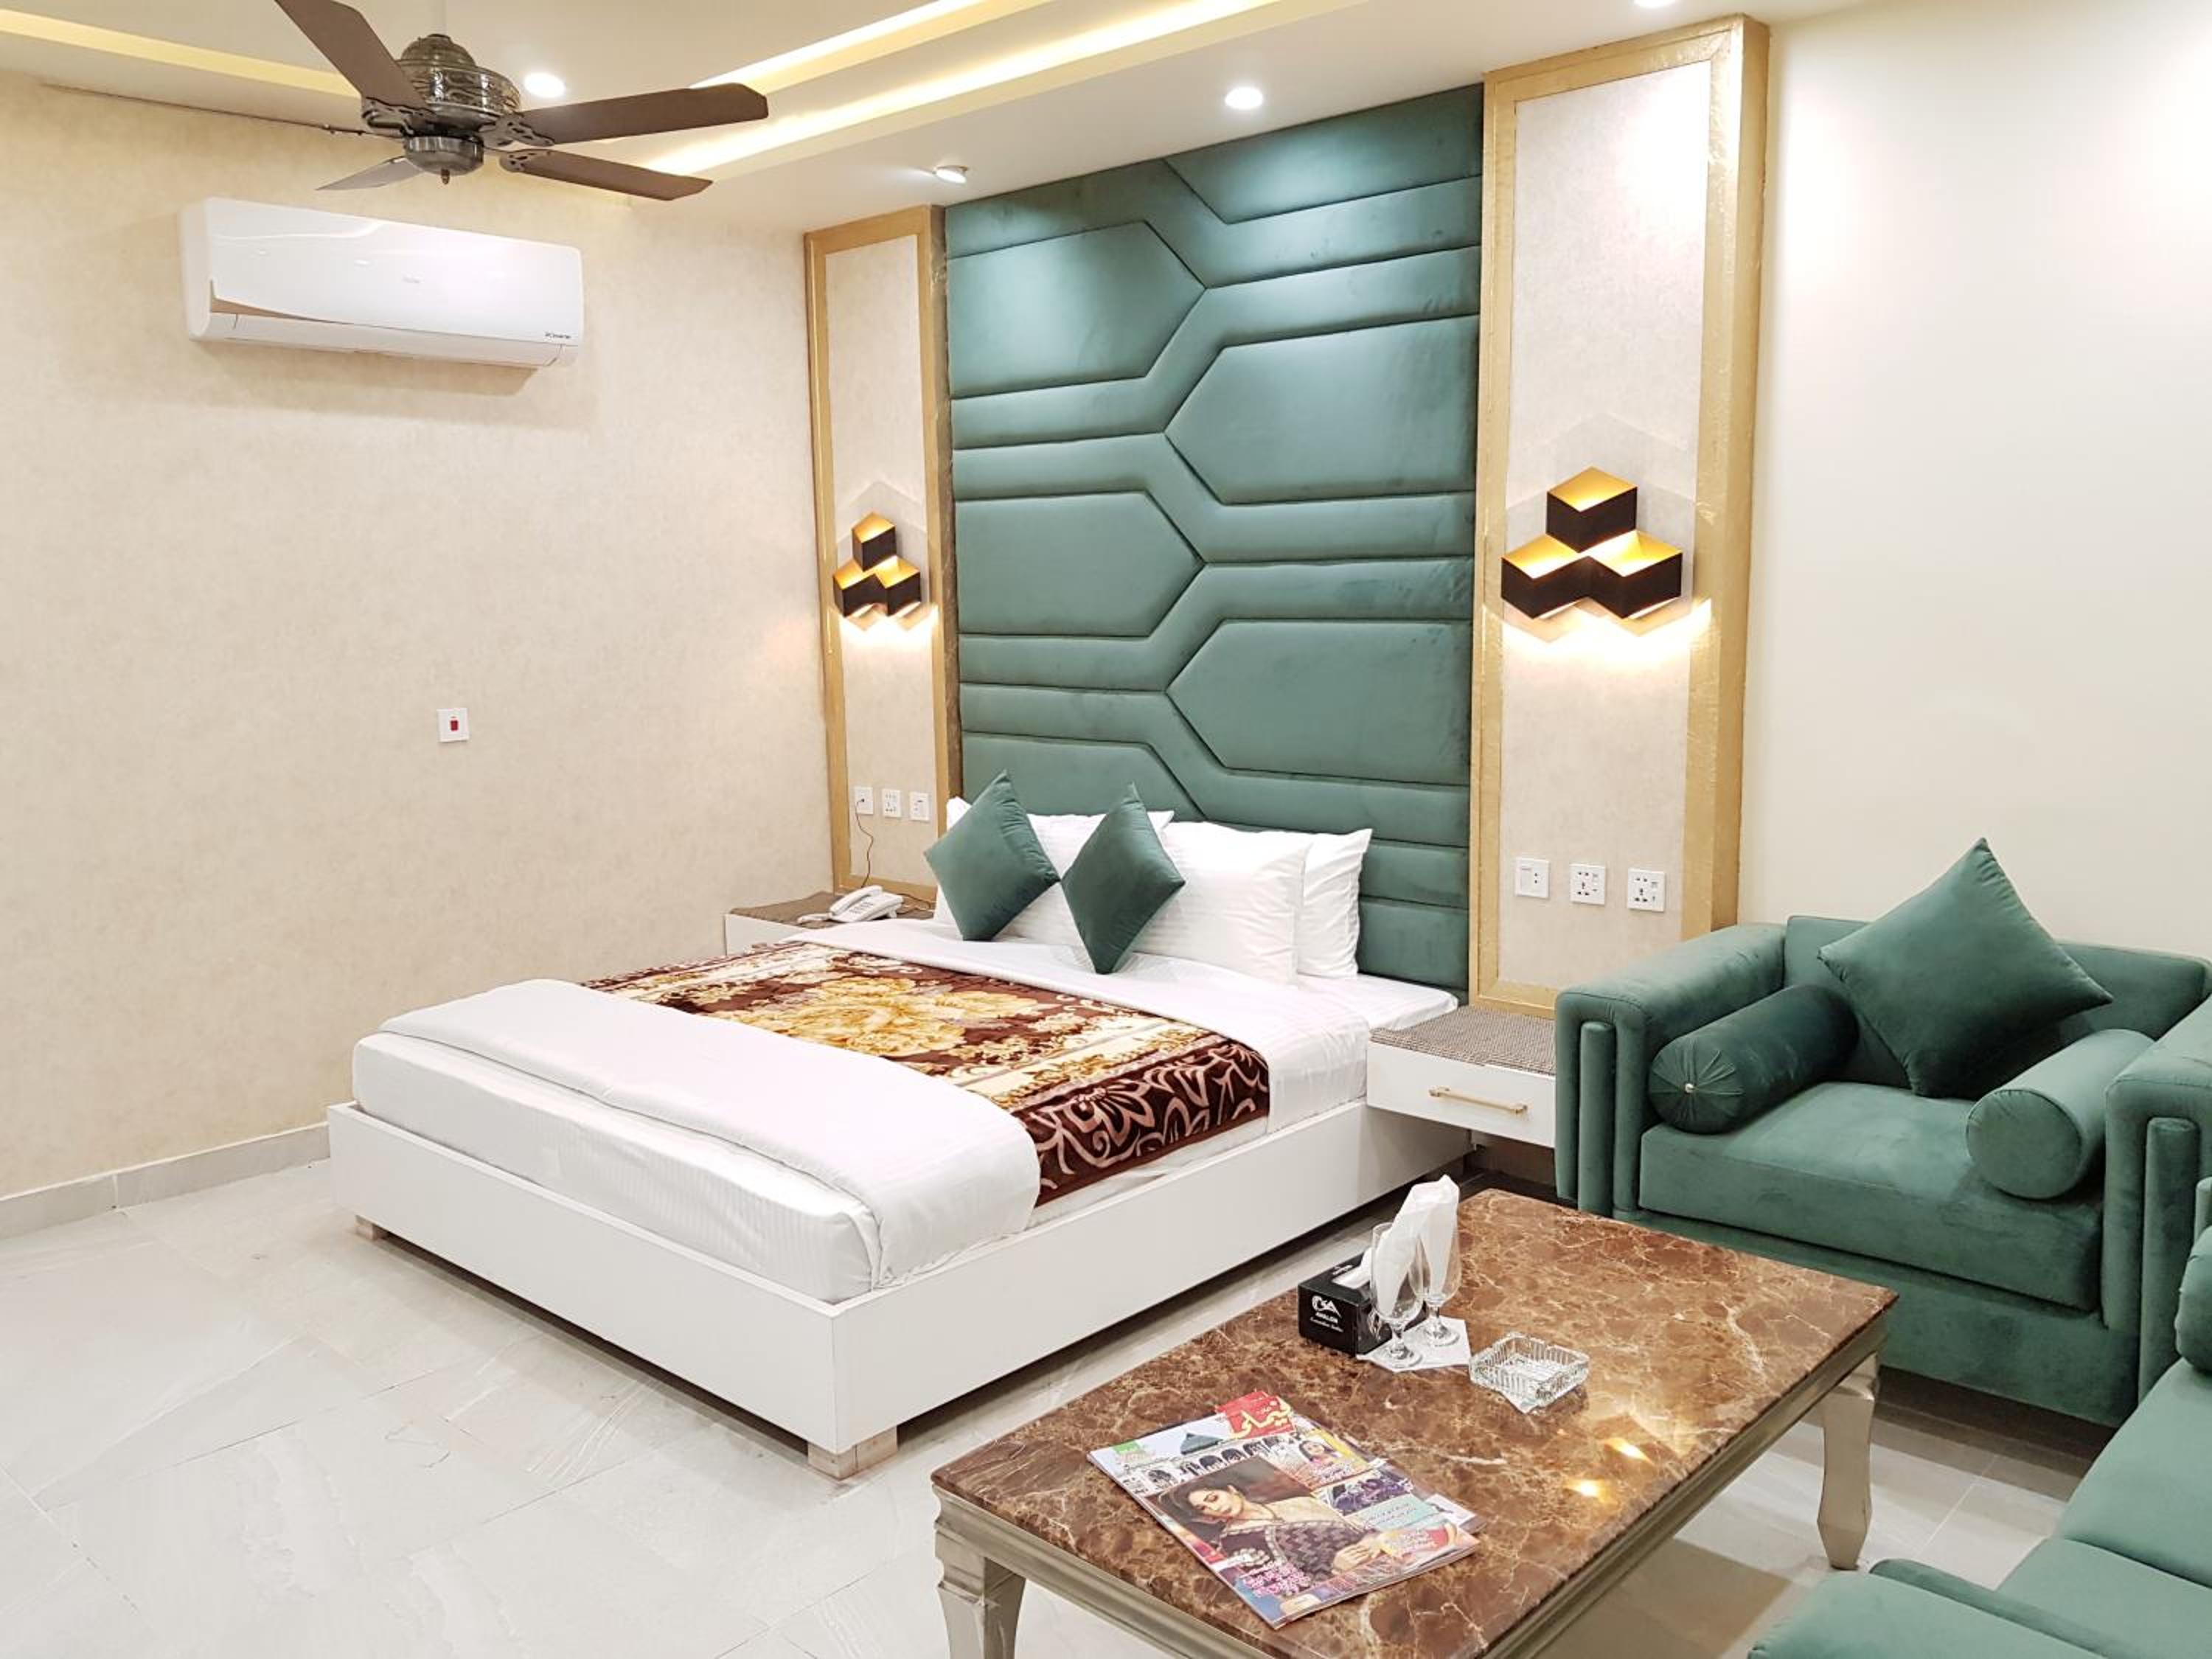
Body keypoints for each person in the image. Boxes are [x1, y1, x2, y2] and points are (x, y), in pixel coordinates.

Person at [1158, 1461, 1390, 1582]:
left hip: (1387, 1558)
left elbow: (1364, 1527)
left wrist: (1372, 1540)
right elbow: (1286, 1590)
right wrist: (1337, 1569)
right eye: (1205, 1508)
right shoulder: (1233, 1545)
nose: (1215, 1508)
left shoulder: (1300, 1502)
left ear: (1231, 1490)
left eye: (1213, 1498)